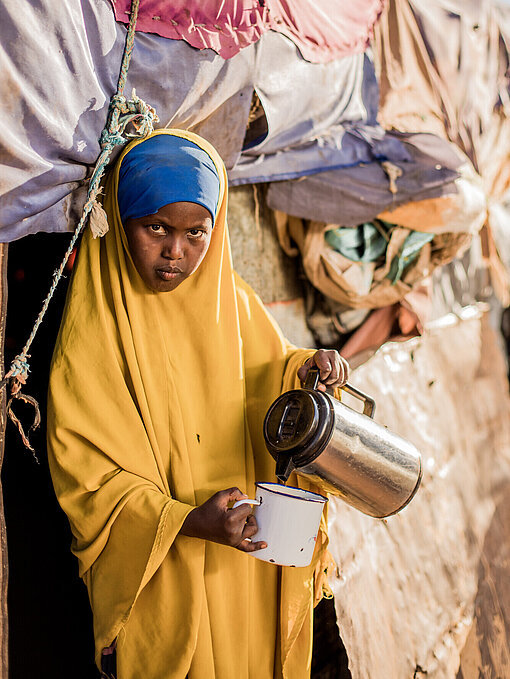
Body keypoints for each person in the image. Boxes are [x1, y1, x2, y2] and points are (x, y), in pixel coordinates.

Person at [47, 129, 349, 679]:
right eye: (155, 227)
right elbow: (89, 480)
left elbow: (267, 375)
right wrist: (184, 522)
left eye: (196, 233)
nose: (175, 252)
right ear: (120, 219)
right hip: (166, 571)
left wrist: (307, 370)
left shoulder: (232, 303)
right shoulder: (94, 333)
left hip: (244, 563)